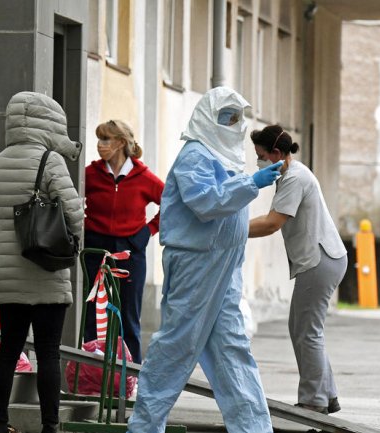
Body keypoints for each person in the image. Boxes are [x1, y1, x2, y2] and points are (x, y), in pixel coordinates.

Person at [127, 86, 282, 433]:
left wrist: (249, 181)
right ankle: (144, 427)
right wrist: (251, 183)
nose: (232, 124)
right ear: (207, 118)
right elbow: (206, 203)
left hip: (225, 264)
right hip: (197, 263)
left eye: (236, 118)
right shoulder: (195, 155)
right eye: (225, 117)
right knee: (176, 345)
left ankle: (253, 428)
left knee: (231, 346)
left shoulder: (226, 158)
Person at [0, 91, 84, 433]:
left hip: (9, 278)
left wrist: (9, 242)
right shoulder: (51, 161)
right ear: (47, 123)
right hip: (48, 271)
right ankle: (50, 426)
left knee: (8, 349)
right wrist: (65, 243)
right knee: (49, 352)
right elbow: (73, 213)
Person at [248, 124, 347, 415]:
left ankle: (313, 400)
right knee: (302, 328)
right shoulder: (293, 173)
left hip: (319, 261)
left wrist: (232, 228)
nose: (259, 161)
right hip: (321, 259)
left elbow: (271, 223)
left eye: (261, 156)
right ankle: (326, 394)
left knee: (308, 331)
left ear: (276, 153)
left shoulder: (293, 178)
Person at [82, 120, 164, 363]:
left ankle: (131, 377)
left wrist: (149, 230)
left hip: (130, 250)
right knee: (92, 314)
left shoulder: (144, 177)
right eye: (99, 139)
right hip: (95, 247)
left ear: (120, 143)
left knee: (128, 316)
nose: (99, 145)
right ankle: (90, 374)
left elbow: (172, 203)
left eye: (105, 140)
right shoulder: (90, 173)